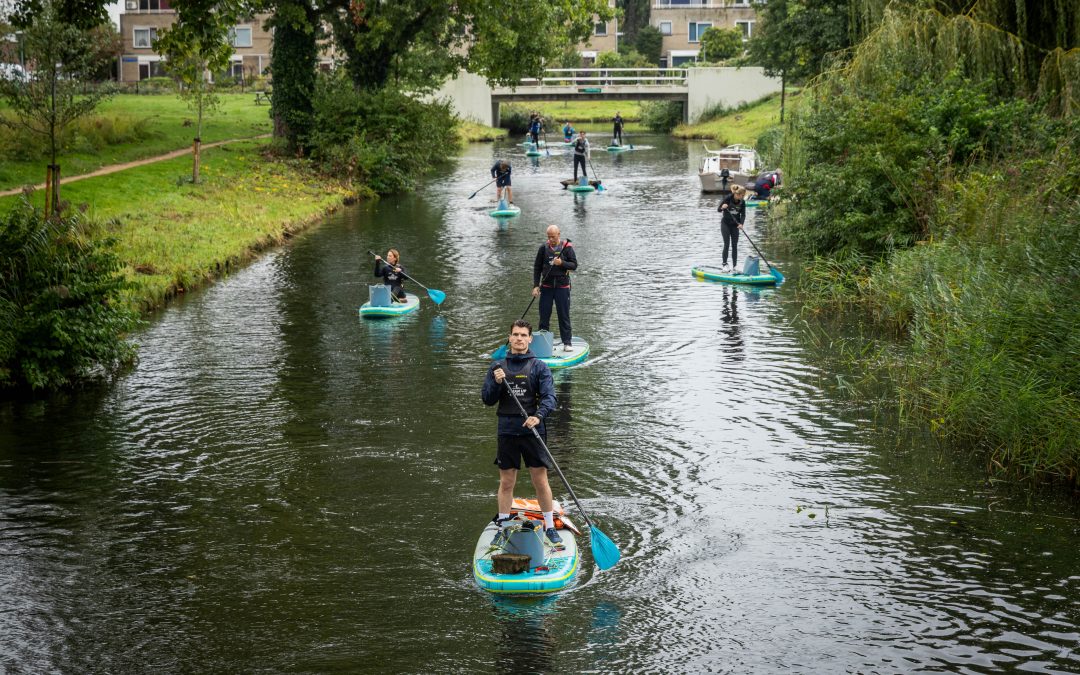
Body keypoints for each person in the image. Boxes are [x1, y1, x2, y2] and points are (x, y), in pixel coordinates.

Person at [481, 319, 561, 545]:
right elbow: (487, 399)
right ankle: (503, 527)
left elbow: (550, 397)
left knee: (540, 481)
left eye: (523, 335)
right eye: (515, 334)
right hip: (507, 431)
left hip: (532, 430)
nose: (519, 339)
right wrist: (496, 383)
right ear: (510, 338)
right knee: (506, 482)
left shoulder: (539, 367)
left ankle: (549, 526)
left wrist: (539, 415)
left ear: (530, 339)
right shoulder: (497, 367)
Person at [532, 225, 577, 352]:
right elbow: (537, 268)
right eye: (549, 237)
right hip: (546, 287)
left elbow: (574, 265)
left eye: (553, 236)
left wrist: (561, 263)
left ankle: (567, 343)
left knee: (564, 316)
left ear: (559, 234)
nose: (551, 239)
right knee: (544, 316)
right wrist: (536, 286)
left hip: (562, 287)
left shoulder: (567, 248)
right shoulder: (543, 248)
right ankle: (543, 343)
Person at [718, 184, 747, 272]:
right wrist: (722, 207)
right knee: (726, 244)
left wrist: (741, 224)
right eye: (742, 195)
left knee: (735, 245)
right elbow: (718, 209)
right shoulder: (728, 198)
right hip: (725, 224)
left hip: (735, 225)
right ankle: (725, 265)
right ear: (737, 194)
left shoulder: (742, 202)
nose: (743, 197)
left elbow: (743, 215)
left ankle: (735, 266)